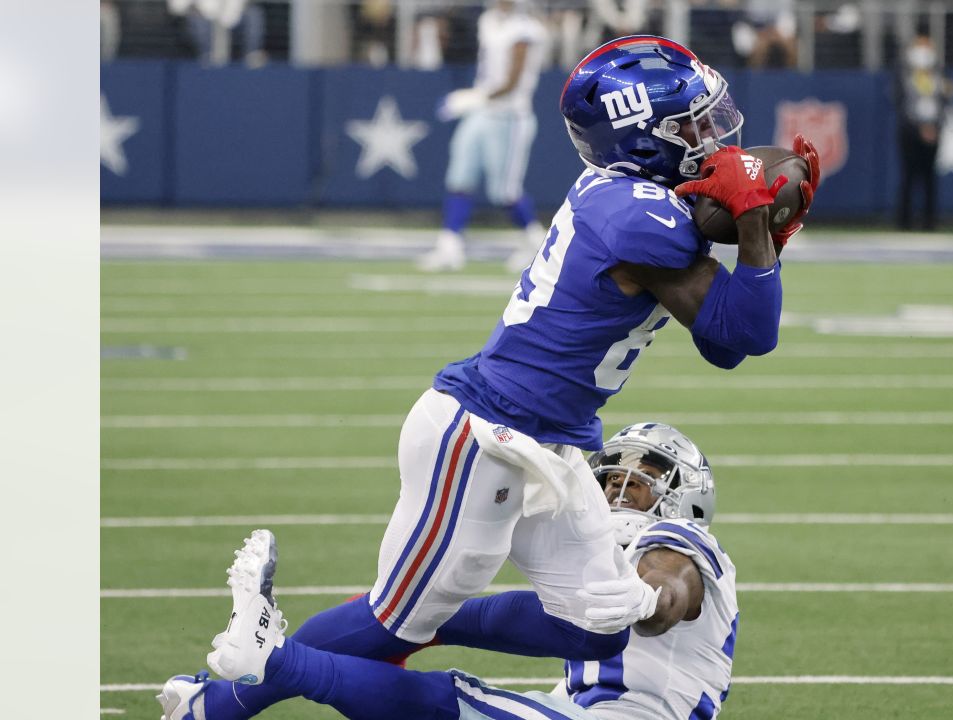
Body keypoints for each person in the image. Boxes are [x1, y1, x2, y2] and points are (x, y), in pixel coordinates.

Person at [156, 35, 818, 720]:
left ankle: (258, 682)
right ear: (644, 136)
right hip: (484, 432)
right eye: (693, 125)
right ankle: (234, 691)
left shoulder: (640, 205)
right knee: (392, 623)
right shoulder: (634, 214)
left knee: (597, 622)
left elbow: (736, 340)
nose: (713, 139)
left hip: (552, 442)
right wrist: (750, 213)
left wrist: (759, 231)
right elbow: (739, 307)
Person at [157, 423, 738, 720]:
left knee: (449, 699)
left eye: (637, 479)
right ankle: (219, 704)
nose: (616, 488)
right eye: (611, 477)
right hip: (577, 710)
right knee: (416, 615)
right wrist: (416, 620)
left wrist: (646, 598)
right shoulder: (595, 561)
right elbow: (493, 618)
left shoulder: (683, 542)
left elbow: (672, 587)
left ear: (682, 495)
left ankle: (274, 659)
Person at [417, 0, 550, 273]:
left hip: (510, 117)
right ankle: (450, 246)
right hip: (483, 112)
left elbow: (512, 82)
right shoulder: (487, 20)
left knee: (504, 191)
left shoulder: (526, 29)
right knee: (459, 176)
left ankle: (538, 244)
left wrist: (473, 98)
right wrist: (478, 98)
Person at [893, 32, 952, 231]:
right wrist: (919, 127)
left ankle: (930, 221)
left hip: (934, 130)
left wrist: (935, 126)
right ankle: (905, 221)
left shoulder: (939, 72)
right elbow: (900, 102)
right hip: (910, 131)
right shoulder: (904, 71)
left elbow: (944, 101)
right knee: (909, 176)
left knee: (929, 177)